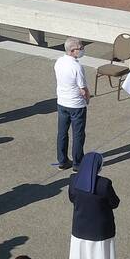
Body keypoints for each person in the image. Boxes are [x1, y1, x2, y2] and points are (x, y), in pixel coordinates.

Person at [68, 152, 121, 259]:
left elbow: (72, 198)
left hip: (80, 227)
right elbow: (114, 203)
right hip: (101, 228)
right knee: (104, 255)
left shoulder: (73, 180)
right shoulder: (104, 184)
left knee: (85, 256)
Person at [55, 37, 90, 171]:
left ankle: (62, 161)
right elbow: (83, 88)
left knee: (62, 133)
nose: (82, 51)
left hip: (62, 102)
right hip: (76, 105)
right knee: (78, 134)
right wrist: (87, 98)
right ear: (72, 50)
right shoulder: (77, 66)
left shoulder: (59, 61)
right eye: (80, 49)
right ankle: (78, 162)